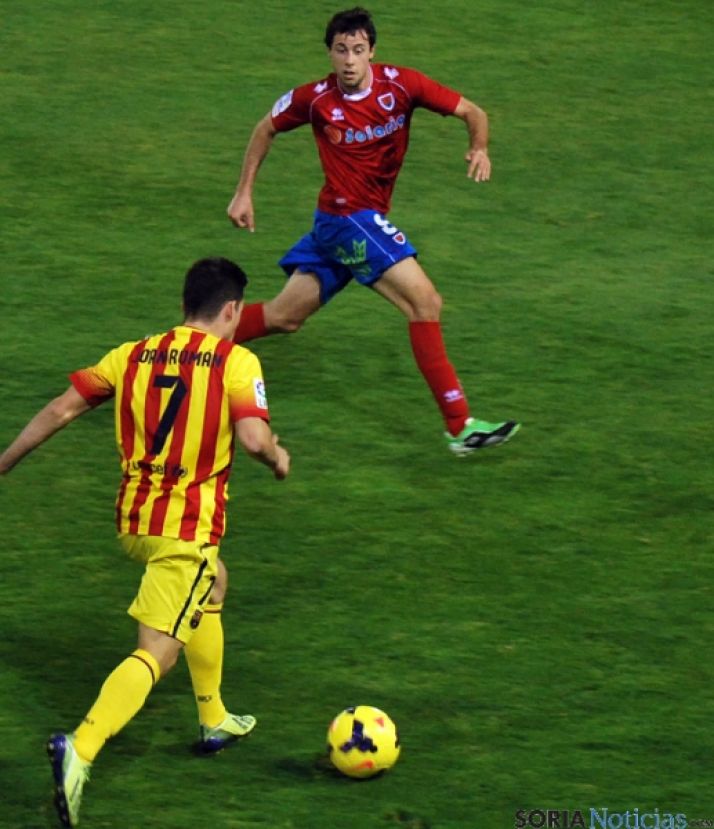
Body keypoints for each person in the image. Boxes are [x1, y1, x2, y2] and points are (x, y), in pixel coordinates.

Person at [0, 258, 290, 828]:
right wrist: (277, 458)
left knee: (215, 583)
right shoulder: (237, 360)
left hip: (135, 522)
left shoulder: (131, 354)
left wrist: (5, 461)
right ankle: (79, 751)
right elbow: (255, 439)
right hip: (185, 530)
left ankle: (214, 719)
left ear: (186, 304)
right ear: (231, 310)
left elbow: (62, 408)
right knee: (158, 650)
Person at [227, 6, 519, 455]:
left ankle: (185, 344)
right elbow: (265, 127)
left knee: (284, 317)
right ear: (329, 52)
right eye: (340, 50)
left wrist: (478, 147)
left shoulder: (402, 85)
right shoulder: (315, 98)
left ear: (372, 53)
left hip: (336, 224)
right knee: (425, 301)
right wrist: (243, 191)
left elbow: (473, 111)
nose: (348, 60)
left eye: (357, 50)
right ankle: (460, 426)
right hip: (348, 220)